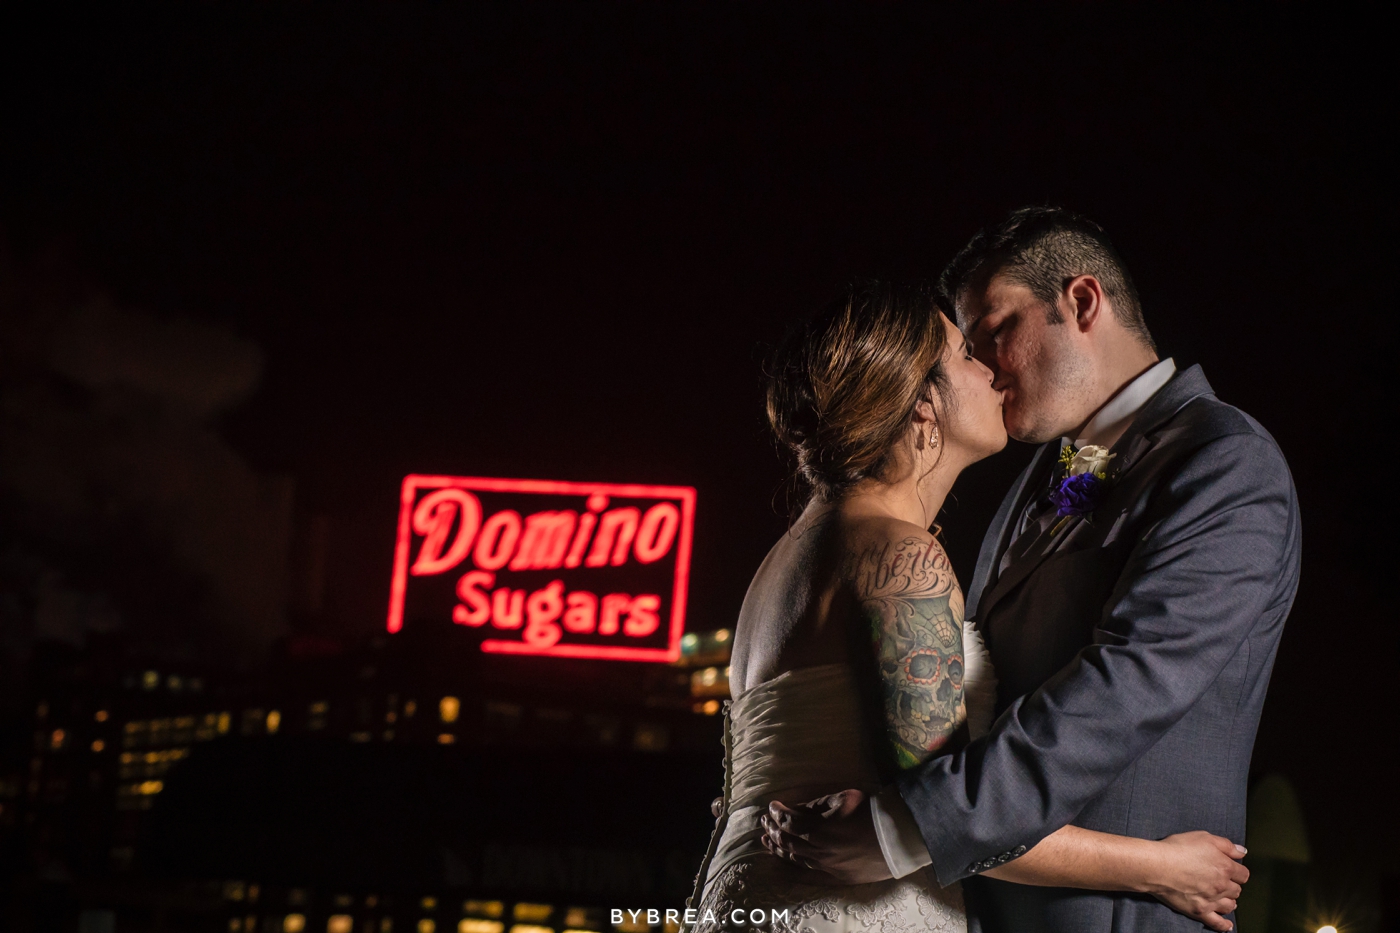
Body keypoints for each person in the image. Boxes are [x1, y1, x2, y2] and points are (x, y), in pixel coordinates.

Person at [759, 208, 1300, 932]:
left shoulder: (1223, 461)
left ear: (1080, 302)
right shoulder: (1050, 475)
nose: (983, 366)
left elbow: (1124, 686)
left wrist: (902, 827)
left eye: (995, 330)